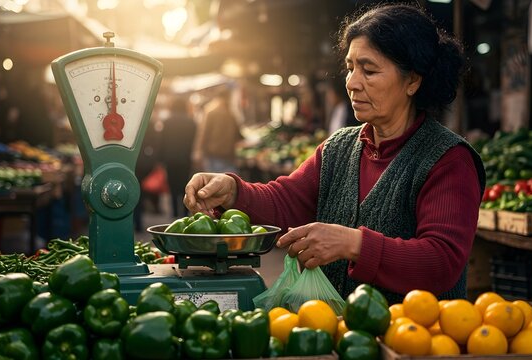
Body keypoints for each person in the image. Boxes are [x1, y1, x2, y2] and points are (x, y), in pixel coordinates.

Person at [183, 3, 485, 303]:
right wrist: (233, 191)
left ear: (412, 80)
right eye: (351, 68)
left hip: (411, 343)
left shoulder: (449, 159)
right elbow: (285, 202)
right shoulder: (338, 148)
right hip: (338, 337)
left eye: (369, 70)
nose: (352, 83)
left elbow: (441, 262)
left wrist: (354, 244)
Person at [161, 95, 197, 218]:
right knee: (185, 185)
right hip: (185, 158)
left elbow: (162, 141)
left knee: (172, 186)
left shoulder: (167, 121)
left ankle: (174, 212)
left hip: (169, 158)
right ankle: (186, 211)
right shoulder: (191, 122)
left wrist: (161, 159)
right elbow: (193, 141)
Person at [193, 86, 243, 173]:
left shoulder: (211, 111)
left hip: (214, 153)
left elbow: (204, 133)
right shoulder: (231, 113)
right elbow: (237, 134)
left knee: (214, 181)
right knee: (226, 181)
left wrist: (199, 151)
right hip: (226, 154)